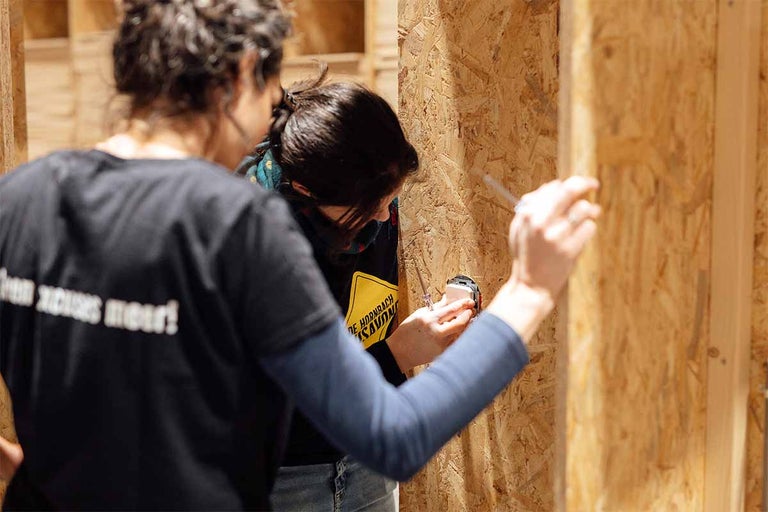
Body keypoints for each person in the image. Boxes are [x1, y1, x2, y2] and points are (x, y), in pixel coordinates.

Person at [0, 0, 601, 509]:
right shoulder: (237, 226)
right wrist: (531, 289)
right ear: (240, 75)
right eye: (272, 88)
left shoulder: (18, 199)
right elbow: (394, 438)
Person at [238, 75, 476, 511]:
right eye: (372, 205)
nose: (386, 216)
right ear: (308, 192)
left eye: (393, 198)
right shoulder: (257, 244)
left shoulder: (370, 198)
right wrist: (397, 355)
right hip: (282, 479)